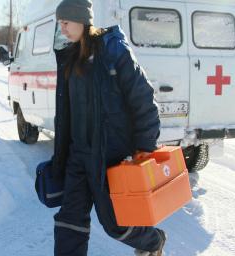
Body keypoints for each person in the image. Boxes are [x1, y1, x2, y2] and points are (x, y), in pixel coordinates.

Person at [51, 0, 166, 255]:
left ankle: (154, 242)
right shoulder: (69, 57)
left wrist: (145, 146)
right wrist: (61, 155)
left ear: (82, 20)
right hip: (78, 156)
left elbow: (144, 100)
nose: (63, 29)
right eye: (60, 24)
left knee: (116, 224)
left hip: (109, 158)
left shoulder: (113, 50)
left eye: (66, 22)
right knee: (70, 222)